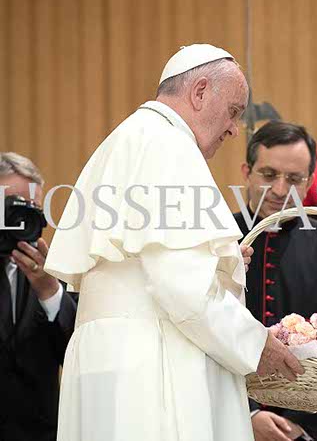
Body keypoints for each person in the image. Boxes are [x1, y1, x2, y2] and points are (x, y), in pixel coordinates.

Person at [43, 44, 303, 441]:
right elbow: (183, 289)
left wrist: (220, 260)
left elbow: (148, 261)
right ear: (199, 92)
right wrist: (256, 343)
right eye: (234, 110)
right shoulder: (169, 146)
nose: (235, 128)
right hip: (149, 368)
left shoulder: (131, 137)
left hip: (115, 360)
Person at [234, 120, 317, 441]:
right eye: (268, 175)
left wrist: (301, 427)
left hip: (313, 428)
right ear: (246, 172)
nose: (280, 190)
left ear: (308, 182)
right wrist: (247, 414)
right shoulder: (216, 240)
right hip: (230, 419)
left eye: (294, 179)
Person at [0, 152, 77, 441]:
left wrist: (49, 291)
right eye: (12, 208)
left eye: (31, 209)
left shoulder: (55, 271)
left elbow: (75, 355)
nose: (21, 219)